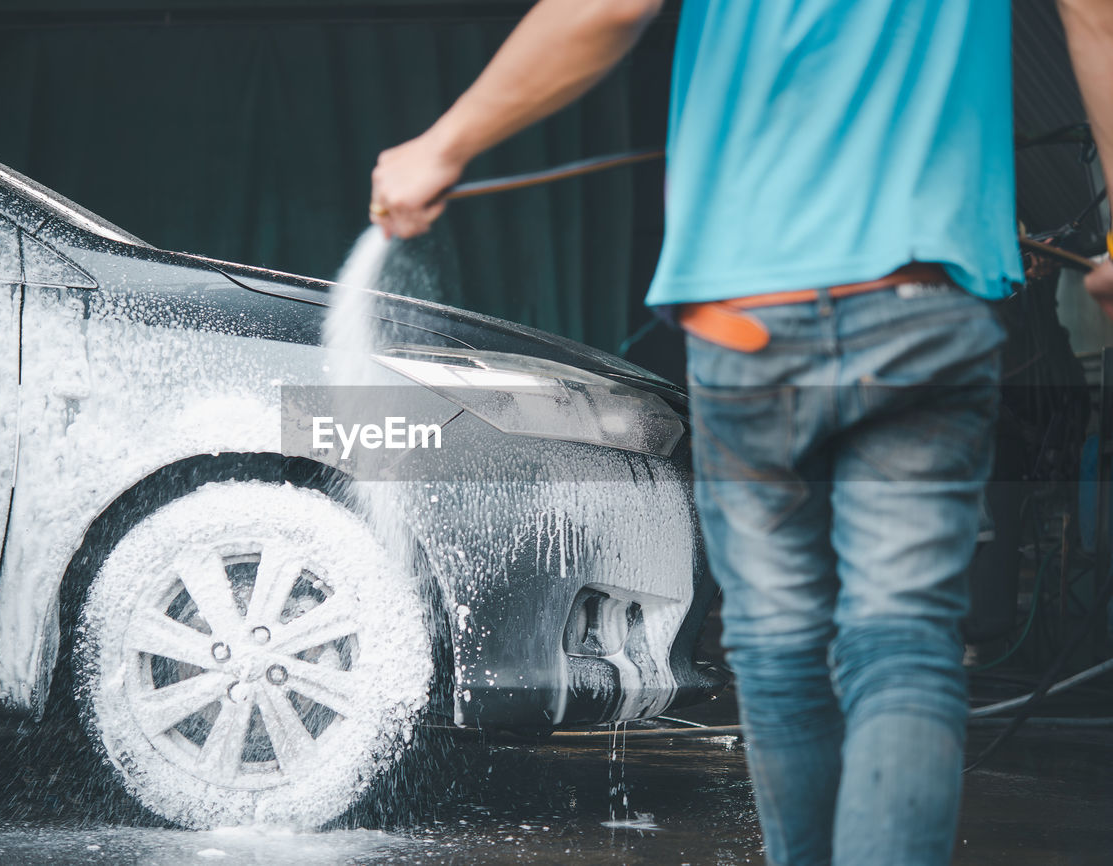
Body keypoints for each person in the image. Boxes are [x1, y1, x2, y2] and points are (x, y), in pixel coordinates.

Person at [368, 1, 1113, 864]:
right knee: (901, 638)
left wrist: (444, 145)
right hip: (922, 301)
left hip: (749, 312)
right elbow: (1095, 18)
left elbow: (610, 6)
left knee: (780, 644)